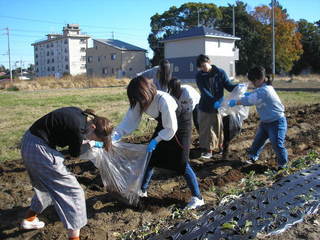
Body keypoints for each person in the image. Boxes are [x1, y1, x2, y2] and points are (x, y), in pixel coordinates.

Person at [20, 107, 113, 240]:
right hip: (39, 150)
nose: (93, 139)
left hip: (29, 143)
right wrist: (93, 144)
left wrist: (92, 142)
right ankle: (74, 238)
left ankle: (29, 219)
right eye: (95, 138)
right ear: (92, 127)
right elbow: (75, 153)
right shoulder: (78, 129)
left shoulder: (81, 117)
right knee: (74, 193)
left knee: (46, 186)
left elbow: (76, 141)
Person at [112, 76, 204, 209]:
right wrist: (113, 137)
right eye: (136, 99)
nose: (139, 102)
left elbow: (171, 128)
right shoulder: (140, 101)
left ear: (147, 92)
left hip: (181, 125)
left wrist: (155, 140)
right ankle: (142, 190)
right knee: (151, 158)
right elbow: (128, 122)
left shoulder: (163, 100)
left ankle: (198, 197)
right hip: (164, 125)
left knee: (181, 162)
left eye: (140, 98)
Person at [228, 66, 288, 170]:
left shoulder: (265, 91)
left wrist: (236, 102)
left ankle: (282, 165)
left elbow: (249, 100)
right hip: (265, 122)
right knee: (258, 142)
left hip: (276, 122)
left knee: (277, 144)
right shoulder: (261, 89)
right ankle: (252, 157)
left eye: (253, 81)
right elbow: (253, 94)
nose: (252, 83)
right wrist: (246, 94)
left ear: (260, 79)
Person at [195, 54, 238, 159]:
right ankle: (208, 151)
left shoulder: (220, 72)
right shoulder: (199, 76)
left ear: (209, 62)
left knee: (218, 128)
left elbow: (228, 85)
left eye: (204, 65)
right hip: (205, 107)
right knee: (206, 130)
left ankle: (220, 148)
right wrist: (214, 101)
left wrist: (238, 87)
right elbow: (204, 91)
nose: (203, 68)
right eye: (201, 67)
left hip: (219, 107)